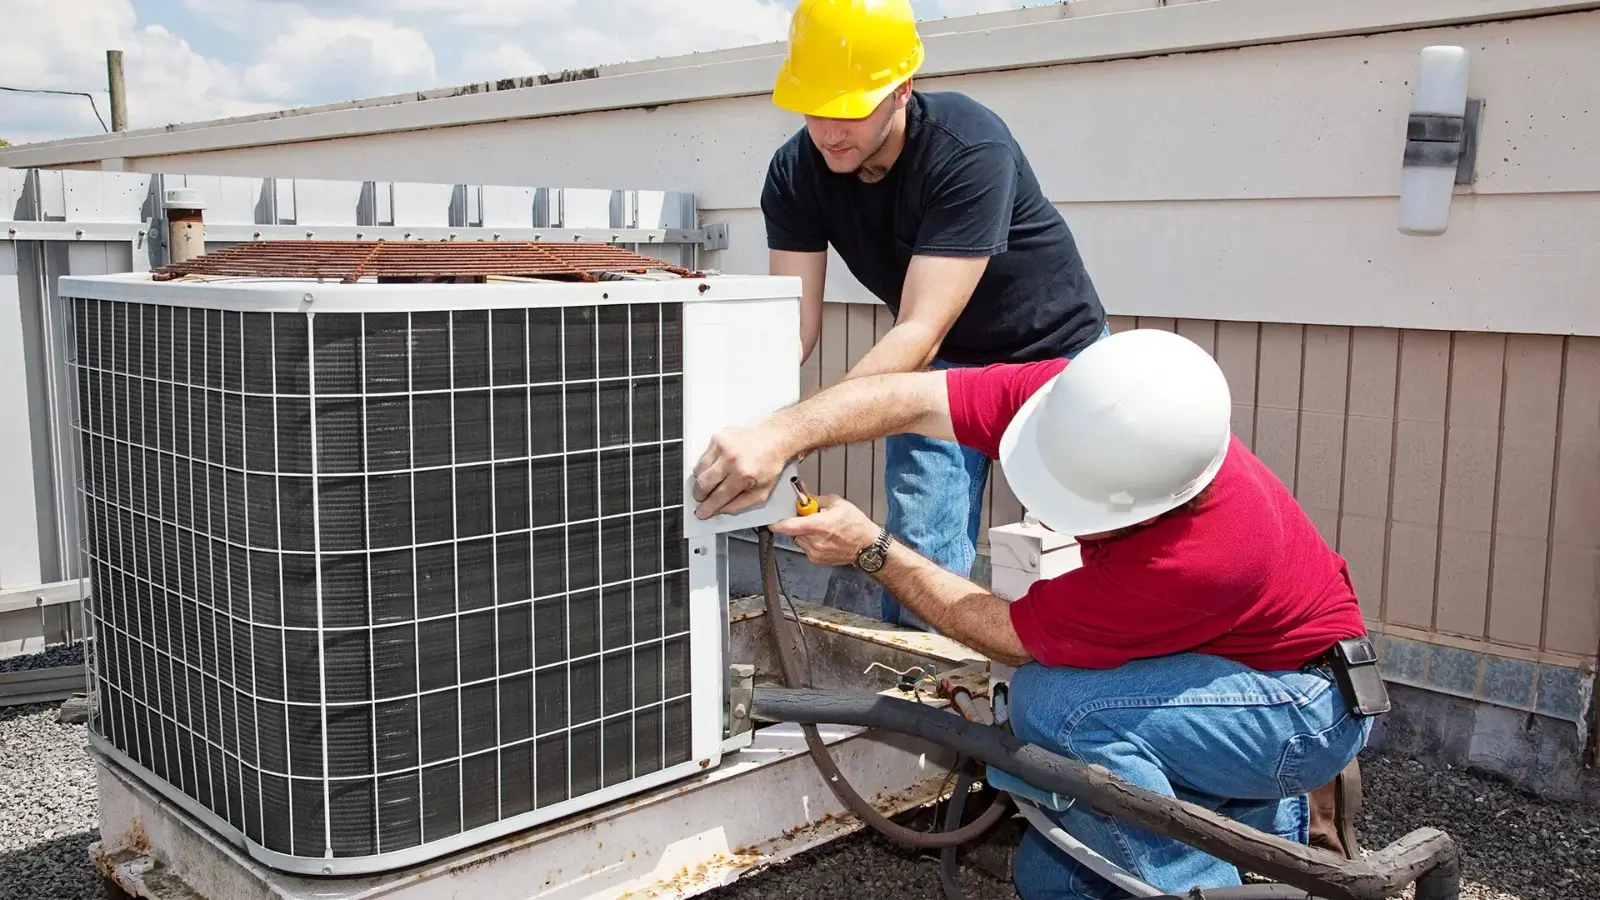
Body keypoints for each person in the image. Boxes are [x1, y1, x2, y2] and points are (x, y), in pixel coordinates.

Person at [690, 329, 1379, 900]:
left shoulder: (1201, 554)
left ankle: (1211, 878)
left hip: (1302, 706)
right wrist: (779, 435)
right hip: (1226, 669)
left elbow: (1011, 637)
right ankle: (1257, 820)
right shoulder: (1085, 400)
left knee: (1058, 706)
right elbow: (907, 396)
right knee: (1052, 881)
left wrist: (872, 549)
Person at [762, 0, 1108, 629]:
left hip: (1059, 356)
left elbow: (919, 329)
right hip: (947, 365)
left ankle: (1076, 696)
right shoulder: (795, 172)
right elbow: (793, 328)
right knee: (918, 545)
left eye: (852, 108)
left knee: (1084, 546)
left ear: (902, 89)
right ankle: (927, 704)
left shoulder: (967, 146)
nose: (831, 130)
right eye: (816, 108)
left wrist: (797, 429)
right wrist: (748, 419)